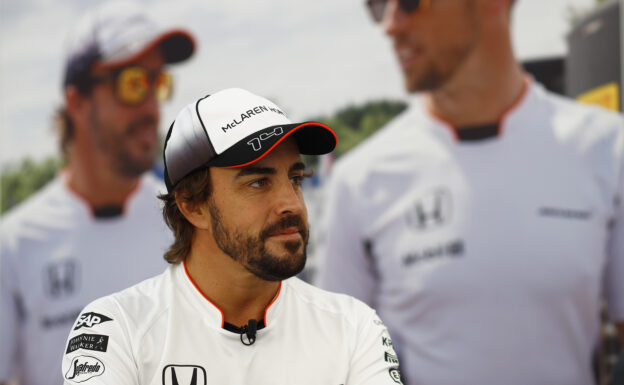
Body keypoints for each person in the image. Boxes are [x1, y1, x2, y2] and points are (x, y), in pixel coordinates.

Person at [317, 0, 624, 384]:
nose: (390, 25)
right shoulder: (359, 180)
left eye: (409, 3)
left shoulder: (608, 148)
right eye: (378, 6)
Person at [59, 87, 404, 385]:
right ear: (192, 205)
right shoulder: (115, 329)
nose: (291, 204)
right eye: (258, 182)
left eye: (295, 178)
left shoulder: (353, 326)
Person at [0, 3, 195, 385]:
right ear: (77, 101)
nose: (153, 108)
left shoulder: (192, 224)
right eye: (133, 83)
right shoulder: (14, 247)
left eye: (158, 83)